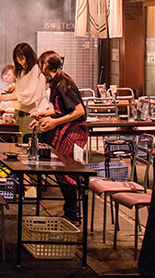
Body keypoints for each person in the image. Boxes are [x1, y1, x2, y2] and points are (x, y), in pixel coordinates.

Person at [30, 50, 89, 224]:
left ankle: (73, 213)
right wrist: (42, 114)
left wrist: (55, 123)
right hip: (66, 129)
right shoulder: (57, 82)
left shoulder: (63, 83)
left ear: (45, 66)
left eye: (40, 64)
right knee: (60, 169)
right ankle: (71, 211)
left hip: (74, 131)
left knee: (65, 170)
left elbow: (79, 111)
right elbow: (60, 109)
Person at [0, 42, 51, 134]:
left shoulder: (36, 69)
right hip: (21, 111)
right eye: (18, 60)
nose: (21, 63)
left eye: (22, 59)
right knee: (17, 141)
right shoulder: (23, 71)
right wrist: (15, 87)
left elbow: (30, 93)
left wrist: (8, 98)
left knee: (27, 140)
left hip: (33, 114)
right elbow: (25, 87)